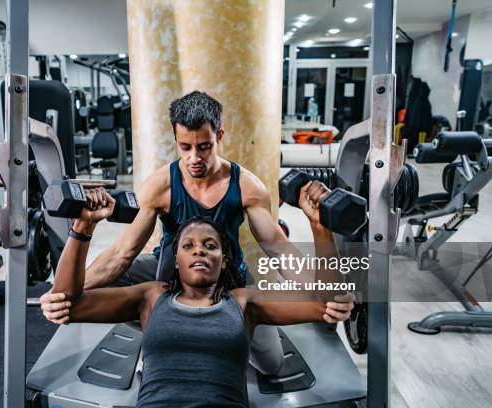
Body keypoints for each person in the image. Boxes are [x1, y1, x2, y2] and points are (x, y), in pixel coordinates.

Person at [41, 90, 345, 374]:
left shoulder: (247, 185)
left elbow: (277, 247)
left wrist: (321, 292)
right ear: (176, 138)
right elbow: (122, 254)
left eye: (204, 146)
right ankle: (164, 329)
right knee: (98, 288)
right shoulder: (161, 185)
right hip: (169, 273)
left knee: (272, 364)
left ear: (219, 136)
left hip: (229, 276)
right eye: (185, 147)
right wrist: (63, 296)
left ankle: (197, 331)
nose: (194, 158)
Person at [49, 210, 353, 408]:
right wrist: (83, 227)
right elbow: (69, 304)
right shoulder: (152, 297)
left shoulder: (244, 302)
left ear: (224, 260)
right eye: (188, 245)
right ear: (175, 260)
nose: (199, 250)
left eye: (210, 245)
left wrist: (320, 227)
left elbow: (324, 303)